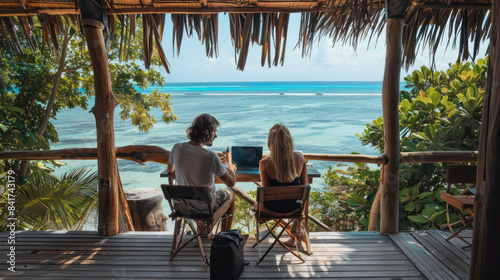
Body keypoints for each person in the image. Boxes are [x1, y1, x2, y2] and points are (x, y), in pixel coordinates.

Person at [167, 113, 237, 233]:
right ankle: (224, 235)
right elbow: (231, 183)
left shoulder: (177, 148)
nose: (216, 136)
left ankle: (203, 229)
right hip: (204, 209)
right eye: (214, 132)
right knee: (230, 193)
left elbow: (170, 170)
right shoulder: (210, 156)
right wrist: (230, 167)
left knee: (203, 196)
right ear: (207, 133)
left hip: (182, 206)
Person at [259, 123, 308, 247]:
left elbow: (265, 192)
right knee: (301, 201)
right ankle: (293, 235)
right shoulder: (300, 158)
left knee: (256, 202)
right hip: (294, 209)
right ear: (289, 141)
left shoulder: (264, 163)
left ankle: (261, 238)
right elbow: (305, 187)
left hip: (271, 210)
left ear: (270, 142)